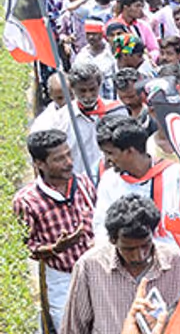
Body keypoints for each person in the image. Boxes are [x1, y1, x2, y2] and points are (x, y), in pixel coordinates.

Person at [62, 195, 180, 334]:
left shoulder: (175, 262)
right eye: (129, 249)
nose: (139, 256)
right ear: (113, 240)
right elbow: (73, 328)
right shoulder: (90, 266)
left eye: (145, 245)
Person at [13, 130, 96, 332]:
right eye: (59, 159)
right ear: (39, 164)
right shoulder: (27, 201)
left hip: (95, 270)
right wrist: (55, 248)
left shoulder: (83, 184)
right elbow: (25, 248)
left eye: (69, 154)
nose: (69, 162)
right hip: (62, 278)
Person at [91, 117, 180, 248]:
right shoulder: (109, 181)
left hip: (174, 253)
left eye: (110, 153)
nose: (107, 160)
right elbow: (101, 227)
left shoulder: (175, 175)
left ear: (130, 151)